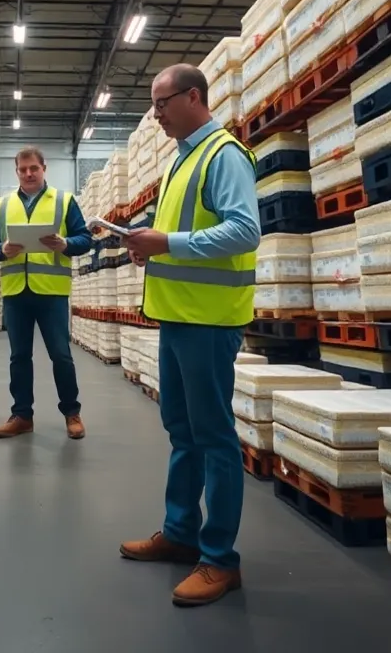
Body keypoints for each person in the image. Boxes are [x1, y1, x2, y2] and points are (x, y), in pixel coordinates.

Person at [119, 63, 260, 607]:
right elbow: (177, 237)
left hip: (208, 320)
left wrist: (168, 243)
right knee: (182, 430)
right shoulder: (182, 161)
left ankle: (220, 560)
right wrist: (147, 247)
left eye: (161, 102)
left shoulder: (223, 154)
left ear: (193, 96)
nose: (155, 114)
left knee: (215, 436)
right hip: (178, 315)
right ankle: (180, 533)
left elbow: (244, 229)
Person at [0, 146, 93, 440]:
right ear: (16, 171)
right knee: (19, 357)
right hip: (16, 292)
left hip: (52, 292)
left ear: (45, 168)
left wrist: (65, 244)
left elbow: (85, 239)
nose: (28, 174)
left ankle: (72, 413)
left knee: (61, 355)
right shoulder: (3, 205)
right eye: (22, 170)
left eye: (34, 169)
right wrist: (1, 250)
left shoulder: (64, 201)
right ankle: (22, 415)